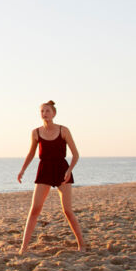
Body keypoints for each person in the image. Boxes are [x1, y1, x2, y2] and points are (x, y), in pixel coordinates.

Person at [16, 100, 86, 254]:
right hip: (44, 170)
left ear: (54, 114)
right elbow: (31, 154)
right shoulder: (35, 132)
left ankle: (82, 245)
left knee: (67, 210)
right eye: (42, 111)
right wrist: (22, 171)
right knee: (35, 209)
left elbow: (75, 155)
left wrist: (69, 170)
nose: (44, 114)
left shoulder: (64, 130)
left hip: (62, 170)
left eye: (47, 111)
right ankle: (24, 248)